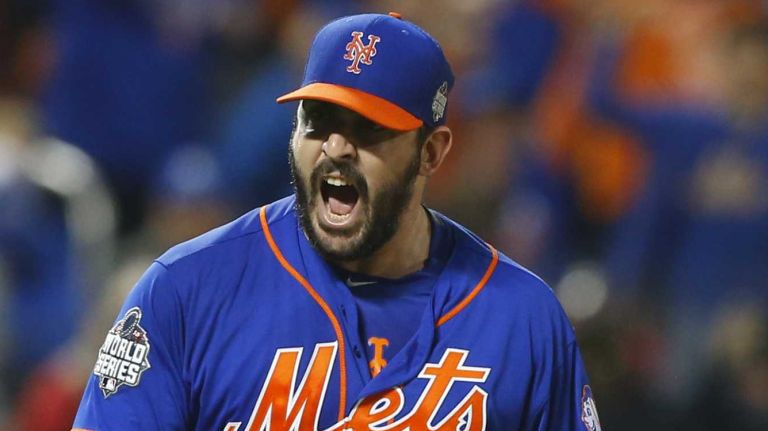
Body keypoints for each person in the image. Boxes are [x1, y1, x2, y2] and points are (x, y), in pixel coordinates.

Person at [71, 12, 599, 430]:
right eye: (318, 123)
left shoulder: (522, 318)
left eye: (369, 129)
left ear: (431, 152)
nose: (337, 148)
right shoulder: (186, 291)